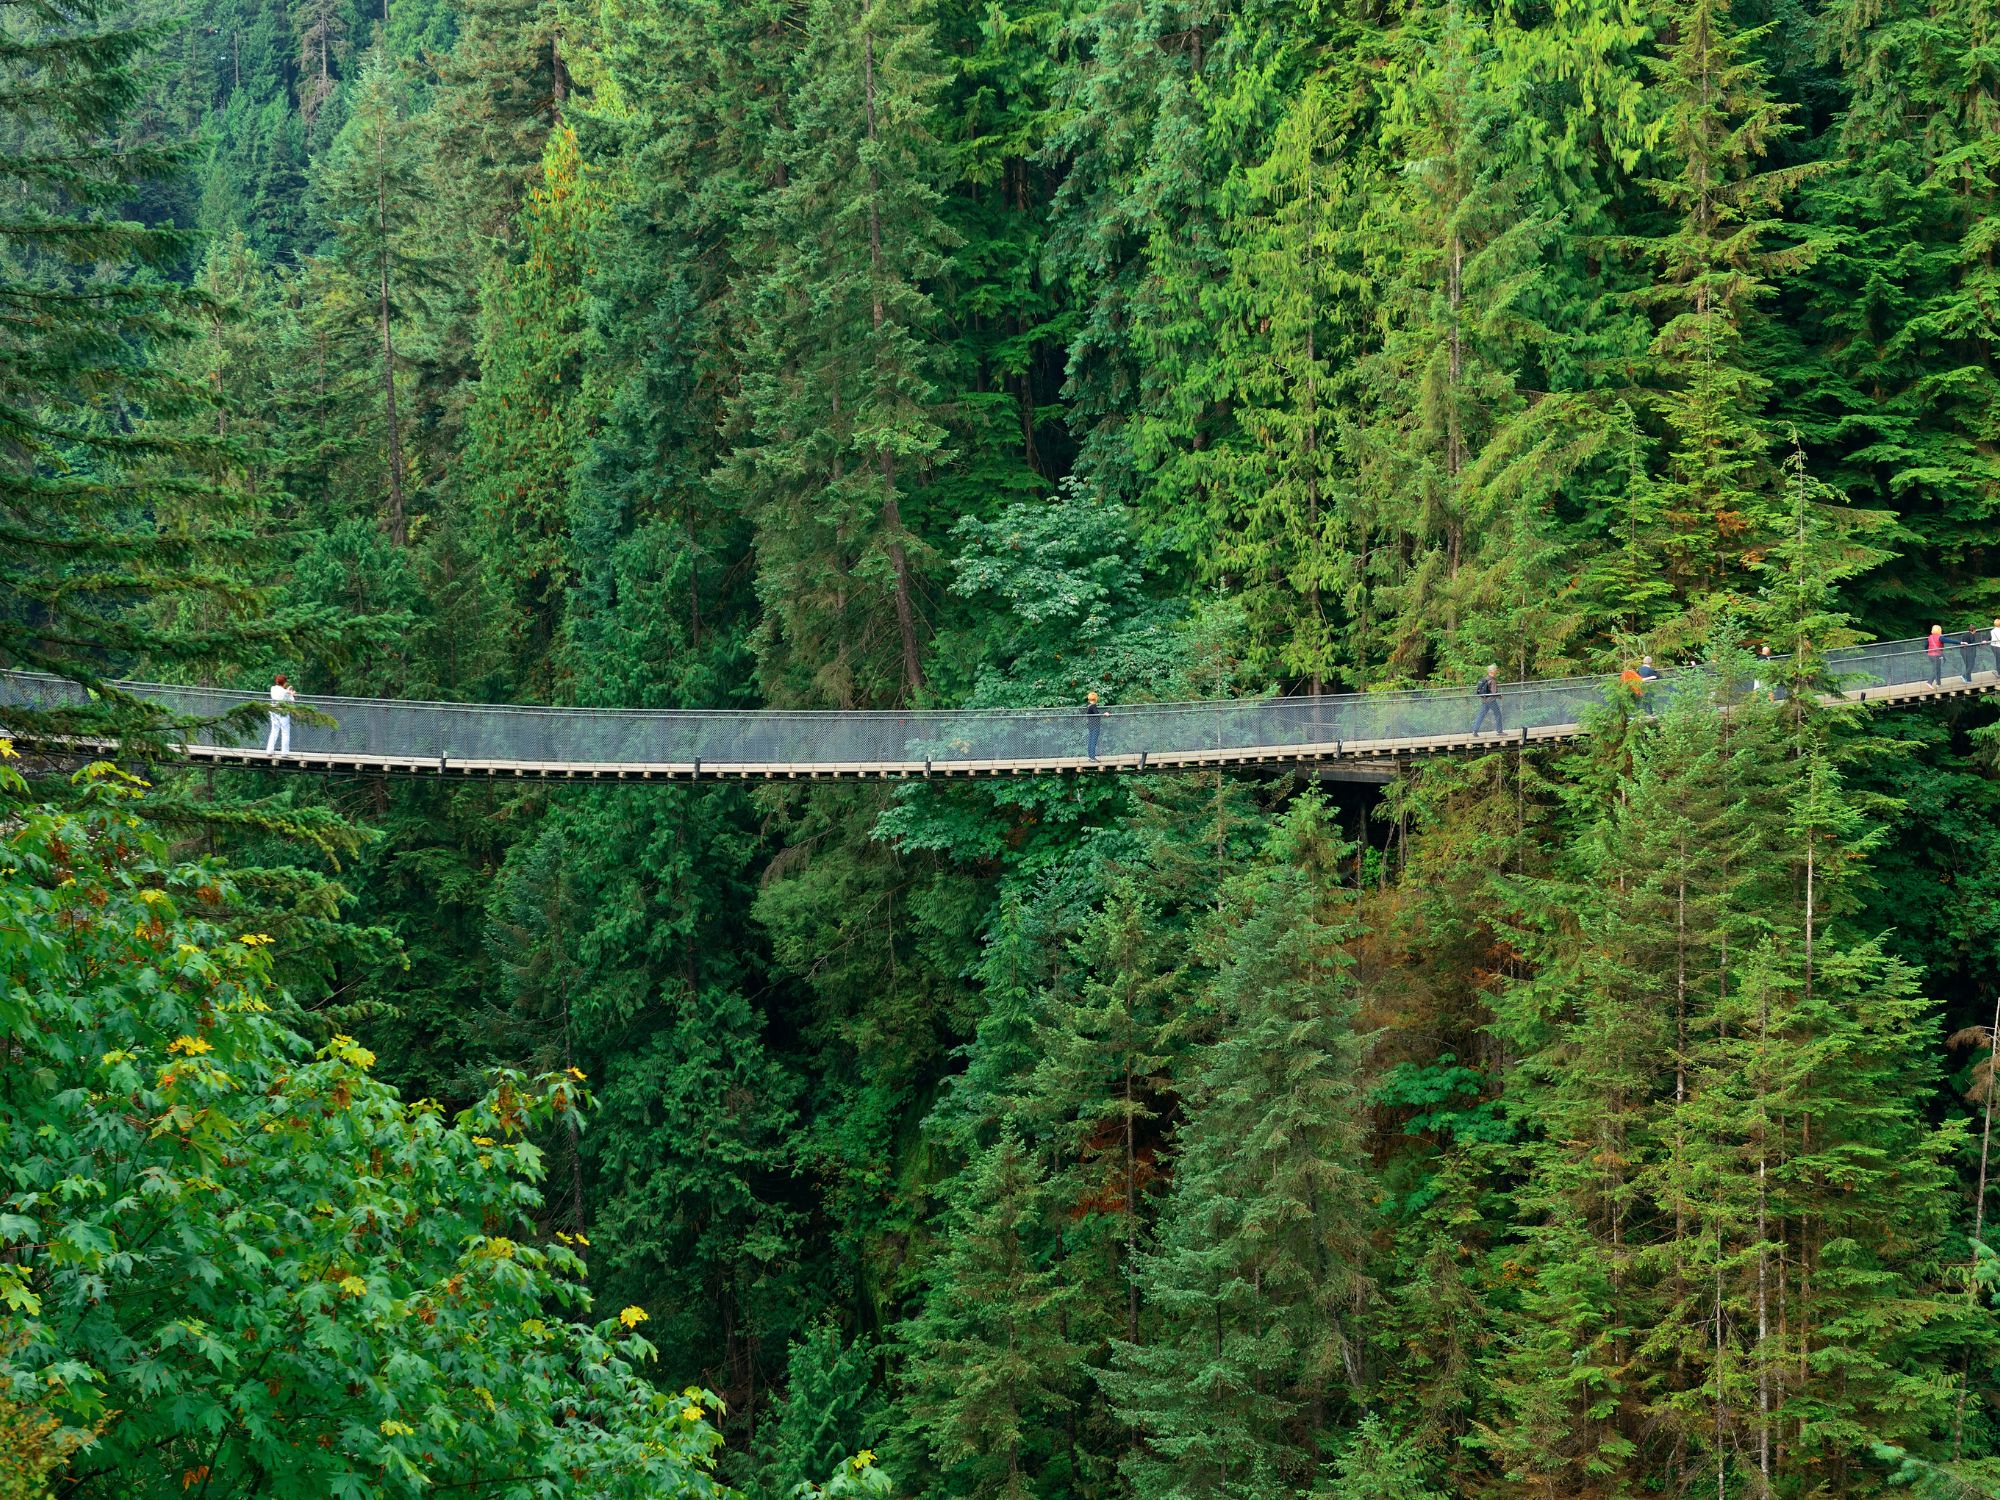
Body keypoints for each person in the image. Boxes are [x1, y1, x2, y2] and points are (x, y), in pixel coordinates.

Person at [266, 673, 296, 754]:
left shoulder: (273, 689)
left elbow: (281, 692)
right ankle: (285, 753)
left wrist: (288, 691)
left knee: (274, 730)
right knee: (285, 731)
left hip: (273, 710)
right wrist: (291, 694)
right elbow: (291, 701)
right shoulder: (285, 692)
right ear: (284, 682)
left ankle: (269, 751)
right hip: (283, 712)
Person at [1472, 664, 1502, 735]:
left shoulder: (1485, 679)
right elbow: (1494, 692)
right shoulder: (1492, 680)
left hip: (1485, 700)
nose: (1496, 671)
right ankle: (1499, 731)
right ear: (1493, 671)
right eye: (1495, 670)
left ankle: (1475, 730)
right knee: (1498, 714)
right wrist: (1500, 696)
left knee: (1481, 715)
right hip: (1491, 701)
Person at [1083, 689, 1103, 760]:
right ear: (1095, 698)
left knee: (1091, 740)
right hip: (1095, 725)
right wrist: (1104, 714)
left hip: (1090, 725)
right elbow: (1097, 714)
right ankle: (1092, 757)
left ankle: (1090, 756)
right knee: (1093, 740)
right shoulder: (1093, 706)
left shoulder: (1089, 706)